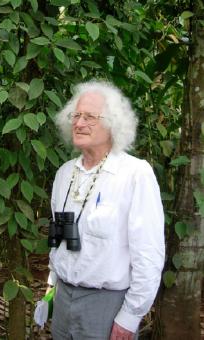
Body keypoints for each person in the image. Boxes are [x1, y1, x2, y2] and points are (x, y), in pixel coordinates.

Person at [46, 80, 165, 340]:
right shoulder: (65, 174)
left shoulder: (135, 174)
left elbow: (149, 253)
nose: (78, 123)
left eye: (90, 117)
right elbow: (59, 239)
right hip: (63, 300)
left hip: (107, 305)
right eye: (76, 115)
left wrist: (130, 316)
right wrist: (50, 289)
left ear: (113, 123)